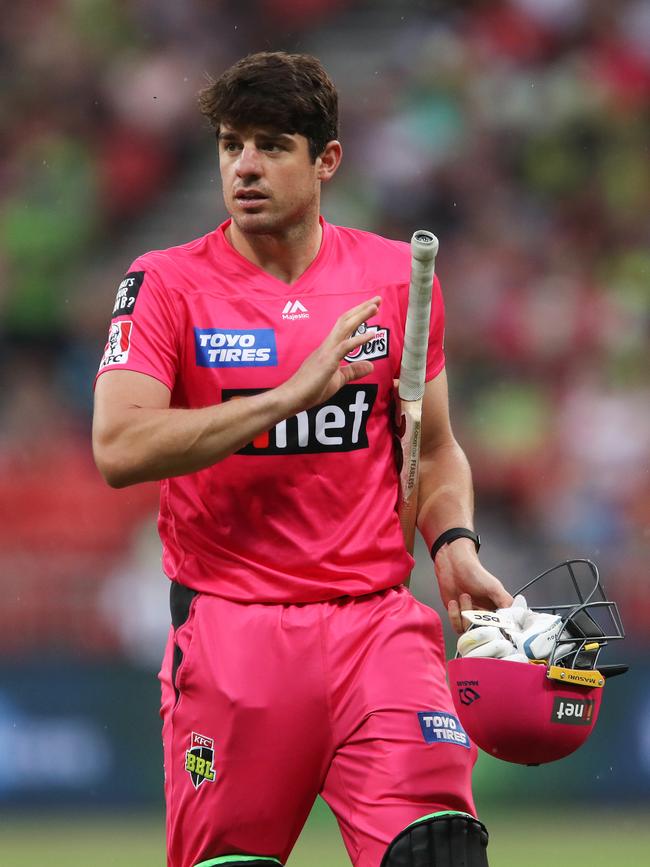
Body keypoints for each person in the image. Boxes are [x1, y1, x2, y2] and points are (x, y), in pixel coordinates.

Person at [93, 51, 512, 867]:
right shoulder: (165, 284)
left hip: (378, 626)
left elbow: (433, 446)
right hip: (231, 633)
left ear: (326, 160)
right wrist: (289, 394)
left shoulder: (397, 275)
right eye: (230, 145)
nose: (244, 166)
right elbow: (119, 446)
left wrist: (454, 541)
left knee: (440, 850)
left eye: (271, 145)